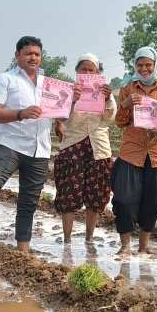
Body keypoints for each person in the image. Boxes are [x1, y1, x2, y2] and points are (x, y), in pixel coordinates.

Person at [0, 36, 51, 266]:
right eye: (28, 53)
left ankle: (23, 250)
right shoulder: (5, 79)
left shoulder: (48, 85)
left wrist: (65, 113)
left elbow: (57, 114)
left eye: (36, 53)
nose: (33, 57)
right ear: (17, 56)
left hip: (40, 149)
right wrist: (20, 113)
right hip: (10, 145)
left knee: (29, 201)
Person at [112, 47, 157, 255]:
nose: (144, 69)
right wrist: (124, 104)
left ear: (155, 65)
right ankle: (125, 246)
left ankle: (143, 247)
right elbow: (120, 122)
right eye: (140, 65)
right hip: (131, 153)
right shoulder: (127, 88)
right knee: (123, 200)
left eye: (148, 65)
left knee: (152, 203)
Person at [52, 53, 116, 244]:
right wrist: (71, 100)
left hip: (99, 147)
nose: (87, 73)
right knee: (68, 194)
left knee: (95, 197)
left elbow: (110, 119)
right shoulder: (67, 90)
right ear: (77, 71)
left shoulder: (105, 92)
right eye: (84, 69)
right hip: (73, 145)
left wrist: (107, 98)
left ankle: (89, 238)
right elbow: (60, 117)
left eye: (92, 70)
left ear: (98, 73)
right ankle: (67, 240)